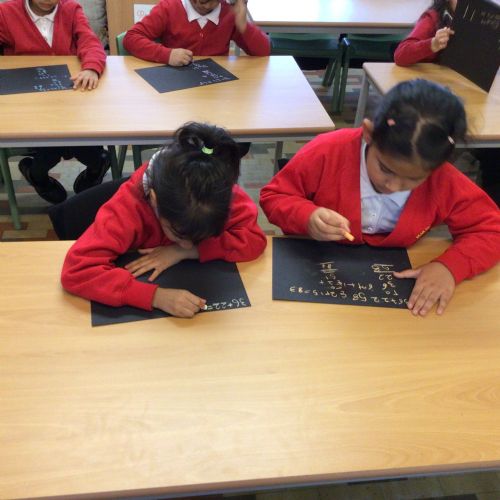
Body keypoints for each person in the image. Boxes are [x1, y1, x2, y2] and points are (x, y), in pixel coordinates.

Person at [260, 79, 500, 317]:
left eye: (413, 179)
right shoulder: (328, 151)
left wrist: (449, 267)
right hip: (313, 268)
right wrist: (307, 216)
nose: (393, 186)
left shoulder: (442, 179)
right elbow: (275, 196)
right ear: (369, 134)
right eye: (385, 169)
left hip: (386, 282)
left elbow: (491, 229)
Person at [61, 122, 267, 318]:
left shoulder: (218, 194)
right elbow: (77, 271)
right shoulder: (128, 207)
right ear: (154, 201)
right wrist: (154, 297)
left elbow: (254, 239)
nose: (187, 244)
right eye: (178, 234)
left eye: (198, 238)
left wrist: (186, 251)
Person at [0, 0, 110, 204]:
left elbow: (90, 42)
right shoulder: (5, 13)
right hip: (26, 102)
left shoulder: (71, 9)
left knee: (77, 136)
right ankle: (41, 174)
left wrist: (91, 67)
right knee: (57, 142)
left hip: (67, 97)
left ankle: (39, 172)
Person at [394, 0, 500, 206]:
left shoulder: (487, 21)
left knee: (494, 151)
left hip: (477, 96)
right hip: (437, 99)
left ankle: (489, 201)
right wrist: (431, 44)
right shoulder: (434, 18)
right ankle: (421, 193)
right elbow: (401, 55)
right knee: (434, 143)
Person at [123, 0, 270, 66]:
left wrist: (244, 27)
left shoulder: (229, 13)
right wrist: (167, 55)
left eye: (208, 1)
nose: (201, 4)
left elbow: (264, 51)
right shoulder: (169, 7)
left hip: (215, 88)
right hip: (176, 84)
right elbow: (131, 38)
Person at [394, 0, 456, 66]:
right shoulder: (432, 19)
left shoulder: (463, 20)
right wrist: (433, 44)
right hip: (431, 71)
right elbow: (400, 55)